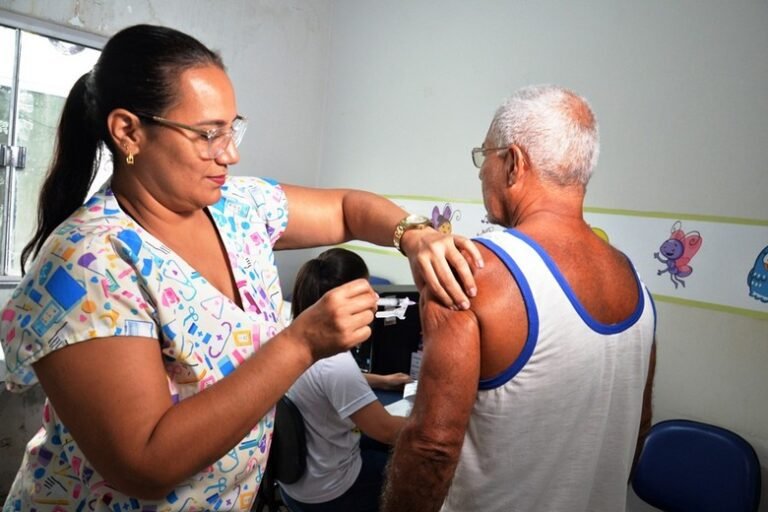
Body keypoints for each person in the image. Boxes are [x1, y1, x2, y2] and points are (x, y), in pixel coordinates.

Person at [0, 24, 482, 512]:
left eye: (232, 128)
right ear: (129, 131)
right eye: (208, 134)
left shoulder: (237, 207)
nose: (230, 153)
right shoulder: (88, 262)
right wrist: (302, 343)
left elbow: (346, 209)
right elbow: (145, 464)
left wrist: (414, 235)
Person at [381, 85, 657, 512]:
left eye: (483, 156)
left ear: (513, 163)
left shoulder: (469, 271)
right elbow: (637, 428)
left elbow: (432, 446)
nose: (479, 173)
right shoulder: (636, 283)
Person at [277, 248, 404, 512]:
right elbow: (387, 430)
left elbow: (321, 384)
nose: (375, 297)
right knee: (406, 466)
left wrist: (382, 380)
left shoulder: (291, 337)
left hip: (294, 483)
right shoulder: (336, 363)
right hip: (331, 493)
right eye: (366, 291)